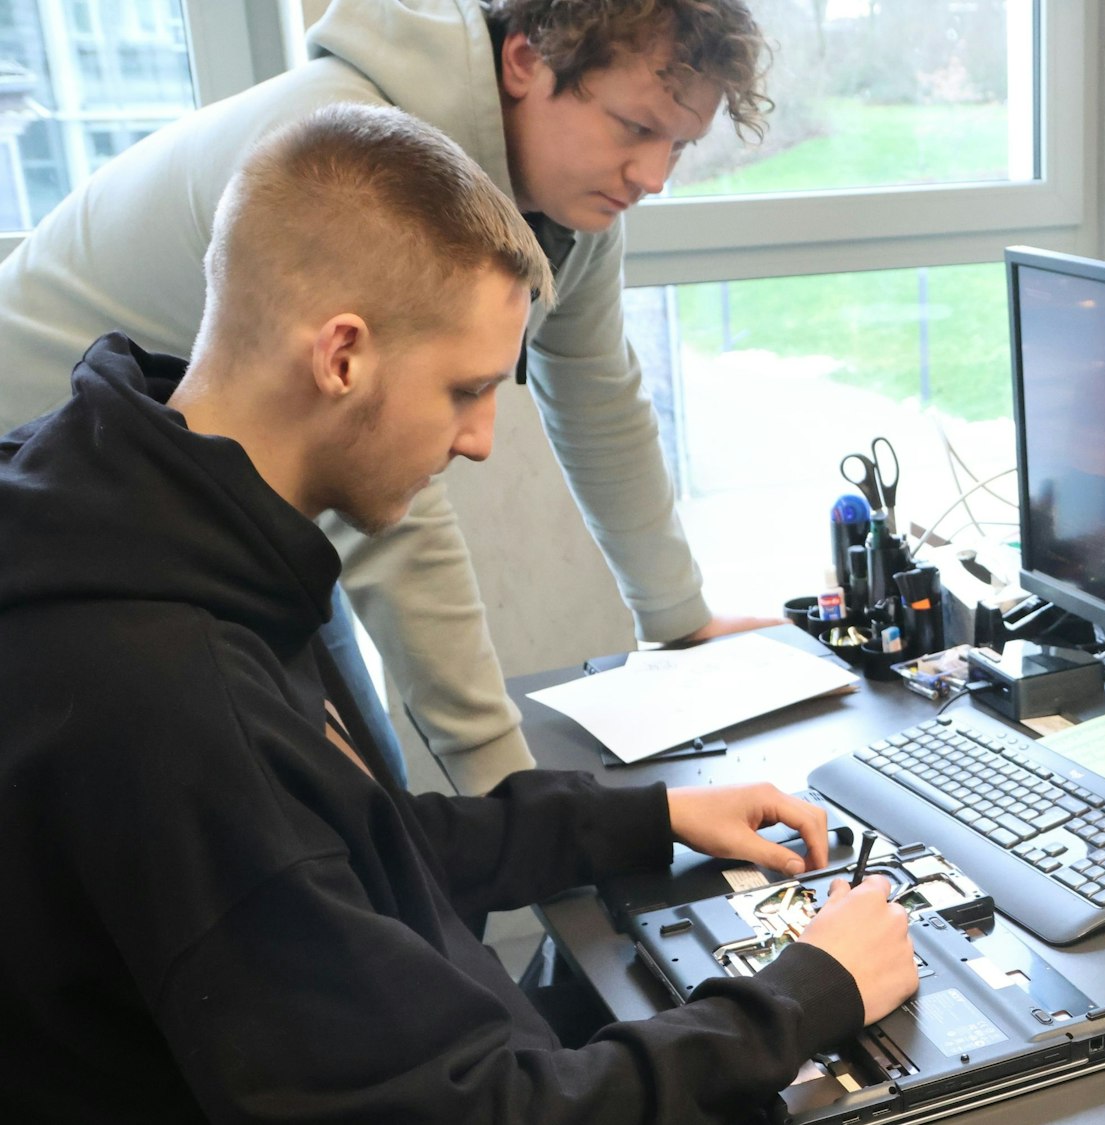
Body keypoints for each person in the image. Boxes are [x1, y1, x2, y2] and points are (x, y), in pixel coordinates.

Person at [0, 103, 917, 1123]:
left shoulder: (144, 509)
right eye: (465, 389)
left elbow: (339, 852)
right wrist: (802, 998)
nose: (480, 439)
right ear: (341, 355)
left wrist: (645, 816)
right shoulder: (178, 695)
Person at [0, 0, 781, 794]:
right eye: (634, 128)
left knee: (355, 817)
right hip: (47, 476)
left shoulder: (575, 207)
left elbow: (598, 395)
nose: (653, 177)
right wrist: (511, 786)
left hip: (201, 486)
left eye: (679, 145)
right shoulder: (352, 157)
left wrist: (681, 621)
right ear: (525, 61)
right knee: (310, 809)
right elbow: (381, 499)